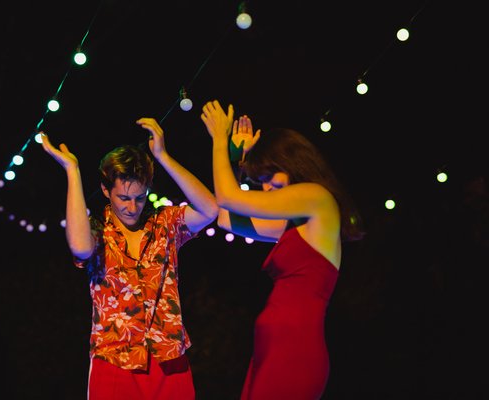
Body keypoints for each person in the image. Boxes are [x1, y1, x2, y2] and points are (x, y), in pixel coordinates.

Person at [40, 117, 218, 400]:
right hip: (115, 360)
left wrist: (163, 156)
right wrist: (72, 171)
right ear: (105, 191)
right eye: (123, 198)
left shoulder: (165, 222)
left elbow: (210, 210)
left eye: (140, 197)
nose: (132, 207)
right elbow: (80, 248)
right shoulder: (97, 230)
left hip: (169, 359)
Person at [200, 100, 364, 400]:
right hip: (271, 348)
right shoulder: (294, 223)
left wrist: (221, 141)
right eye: (260, 181)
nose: (265, 188)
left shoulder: (317, 198)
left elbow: (228, 198)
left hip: (294, 351)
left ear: (292, 164)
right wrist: (236, 158)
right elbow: (226, 218)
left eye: (268, 178)